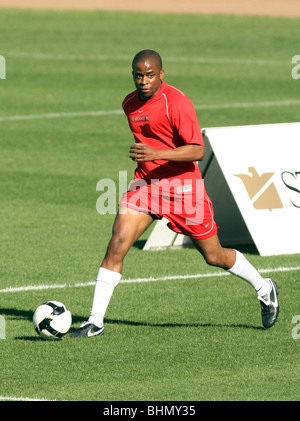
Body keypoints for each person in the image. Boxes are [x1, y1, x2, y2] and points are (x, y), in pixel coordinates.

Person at [70, 50, 279, 338]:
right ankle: (95, 321)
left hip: (183, 188)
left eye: (150, 75)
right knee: (117, 243)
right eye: (138, 75)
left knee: (214, 256)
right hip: (146, 185)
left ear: (162, 74)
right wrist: (150, 161)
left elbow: (198, 150)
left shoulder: (177, 103)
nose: (143, 81)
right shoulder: (129, 103)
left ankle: (265, 287)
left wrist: (157, 153)